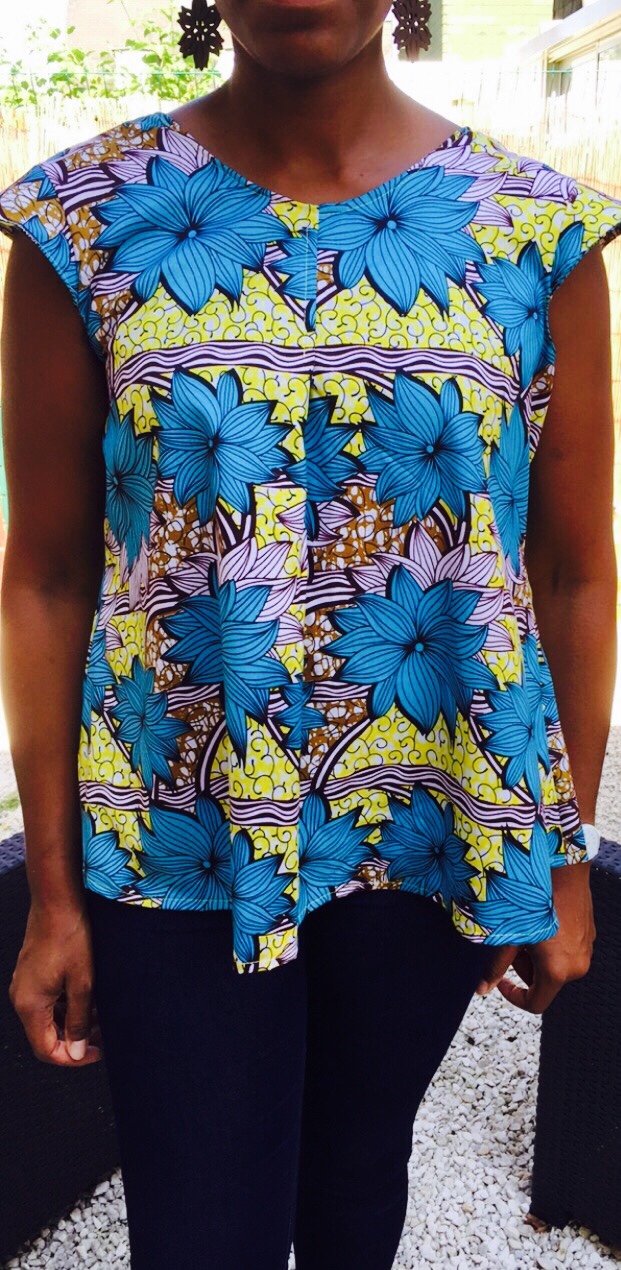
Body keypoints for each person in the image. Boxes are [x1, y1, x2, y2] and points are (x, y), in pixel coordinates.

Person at [1, 1, 620, 1266]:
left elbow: (570, 571)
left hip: (425, 823)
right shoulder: (89, 219)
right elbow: (50, 575)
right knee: (199, 1227)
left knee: (354, 1187)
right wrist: (54, 896)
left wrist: (562, 856)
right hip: (176, 834)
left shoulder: (532, 230)